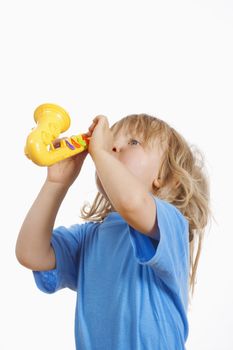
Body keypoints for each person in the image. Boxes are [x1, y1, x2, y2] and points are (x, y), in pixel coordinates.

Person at [15, 112, 211, 349]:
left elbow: (132, 203)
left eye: (133, 142)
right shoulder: (88, 238)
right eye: (112, 142)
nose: (114, 147)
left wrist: (100, 153)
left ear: (164, 177)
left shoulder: (171, 224)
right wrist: (56, 184)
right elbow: (30, 254)